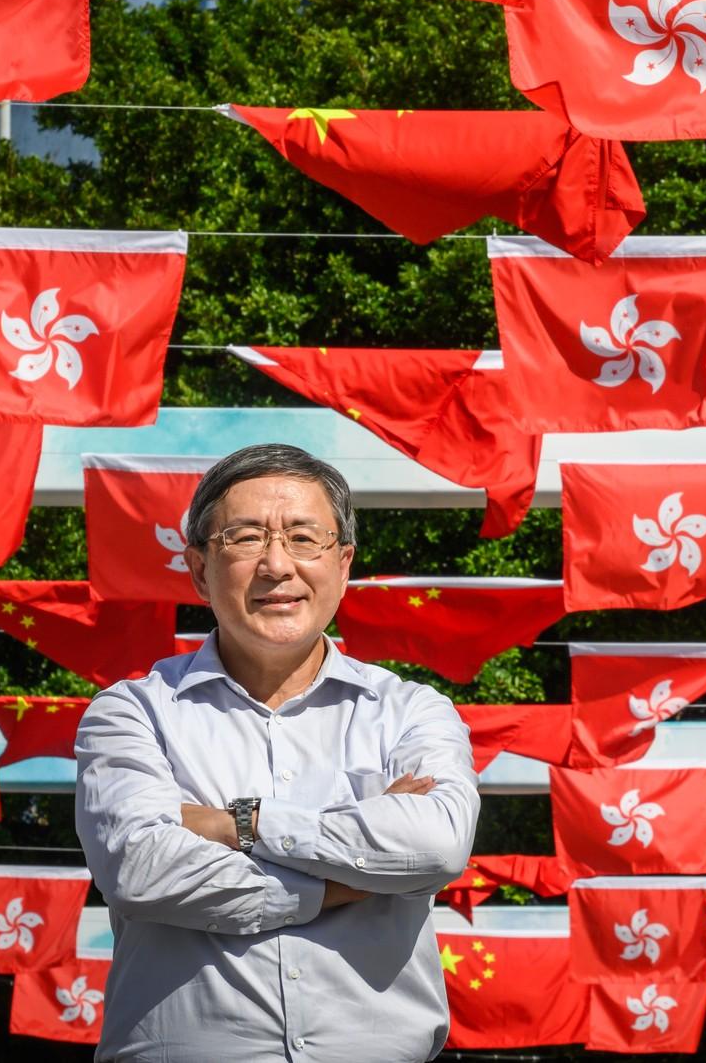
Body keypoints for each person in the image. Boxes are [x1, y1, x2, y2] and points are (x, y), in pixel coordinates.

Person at [74, 443, 478, 1061]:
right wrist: (343, 880)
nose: (276, 565)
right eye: (243, 538)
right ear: (198, 568)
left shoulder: (410, 710)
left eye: (303, 538)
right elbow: (141, 870)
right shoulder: (131, 712)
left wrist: (241, 822)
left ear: (343, 564)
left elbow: (437, 846)